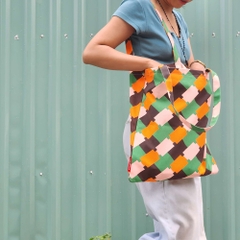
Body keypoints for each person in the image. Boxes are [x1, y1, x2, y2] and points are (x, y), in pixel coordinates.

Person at [83, 0, 208, 239]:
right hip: (153, 132)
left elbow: (186, 62)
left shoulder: (176, 17)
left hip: (181, 132)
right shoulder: (139, 6)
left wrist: (196, 65)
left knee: (187, 227)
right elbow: (93, 51)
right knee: (180, 229)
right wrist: (149, 64)